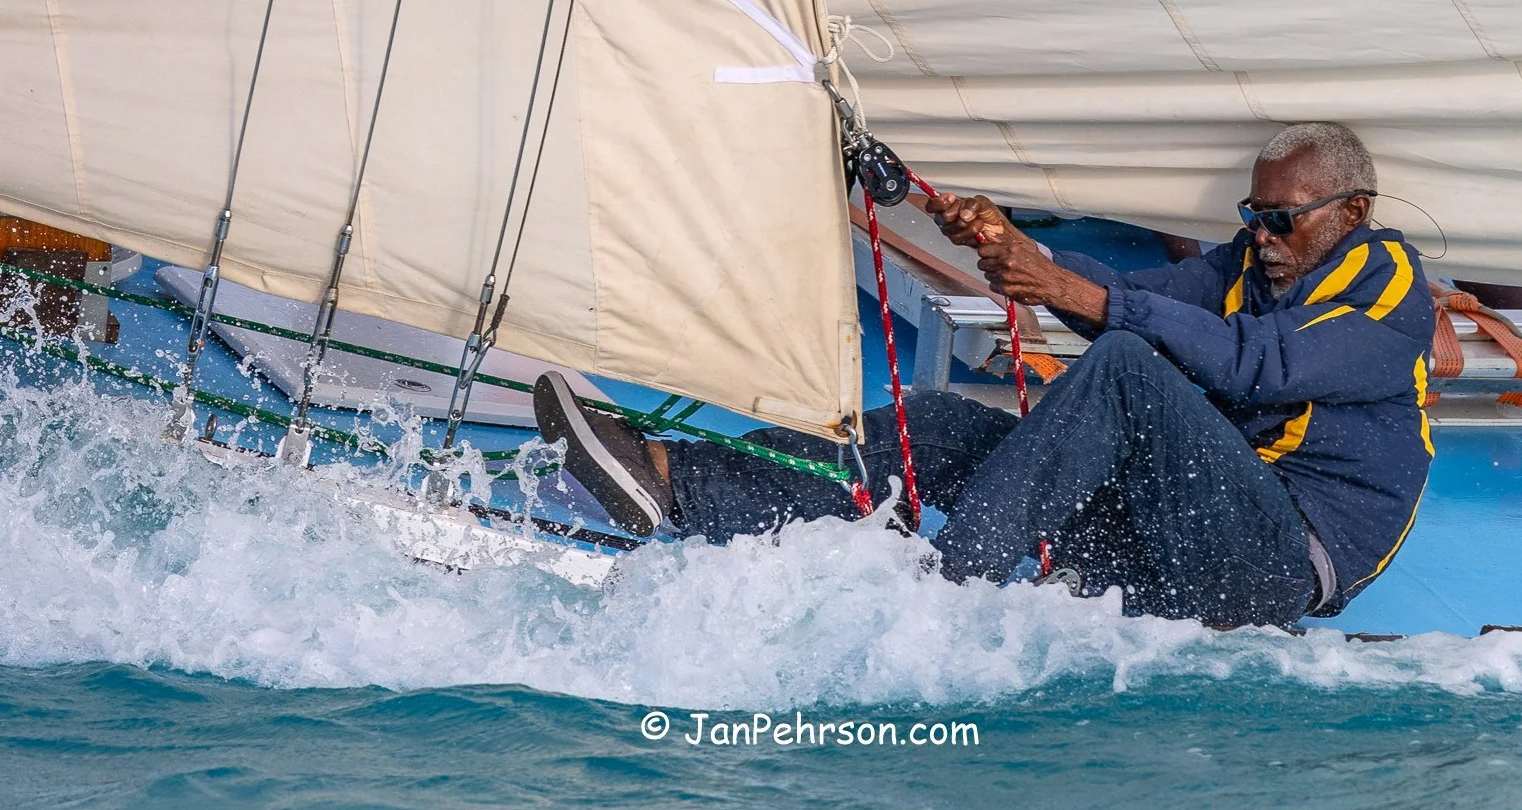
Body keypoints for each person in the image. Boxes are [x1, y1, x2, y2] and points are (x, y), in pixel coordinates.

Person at [531, 122, 1436, 628]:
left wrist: (1074, 292)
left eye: (1283, 219)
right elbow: (1121, 289)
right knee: (937, 422)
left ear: (1352, 211)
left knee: (1123, 364)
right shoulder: (1250, 258)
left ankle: (943, 597)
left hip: (1274, 568)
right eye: (1255, 215)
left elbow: (1257, 366)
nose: (1265, 236)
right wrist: (1013, 245)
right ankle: (674, 487)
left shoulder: (1391, 287)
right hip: (1183, 536)